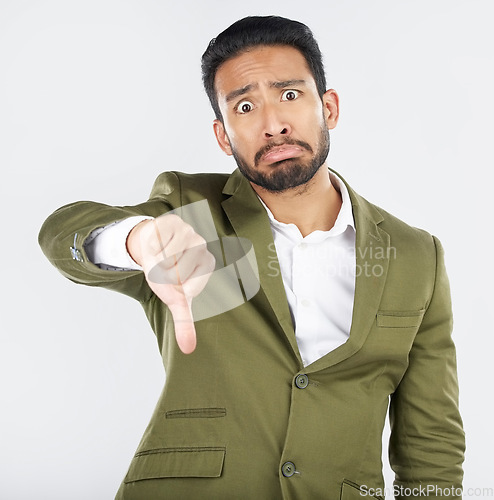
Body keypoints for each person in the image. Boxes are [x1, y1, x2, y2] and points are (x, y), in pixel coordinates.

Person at [39, 15, 465, 500]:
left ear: (328, 107)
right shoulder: (190, 214)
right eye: (245, 106)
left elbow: (431, 438)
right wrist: (136, 239)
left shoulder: (416, 256)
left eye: (289, 95)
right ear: (223, 136)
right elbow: (62, 234)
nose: (273, 124)